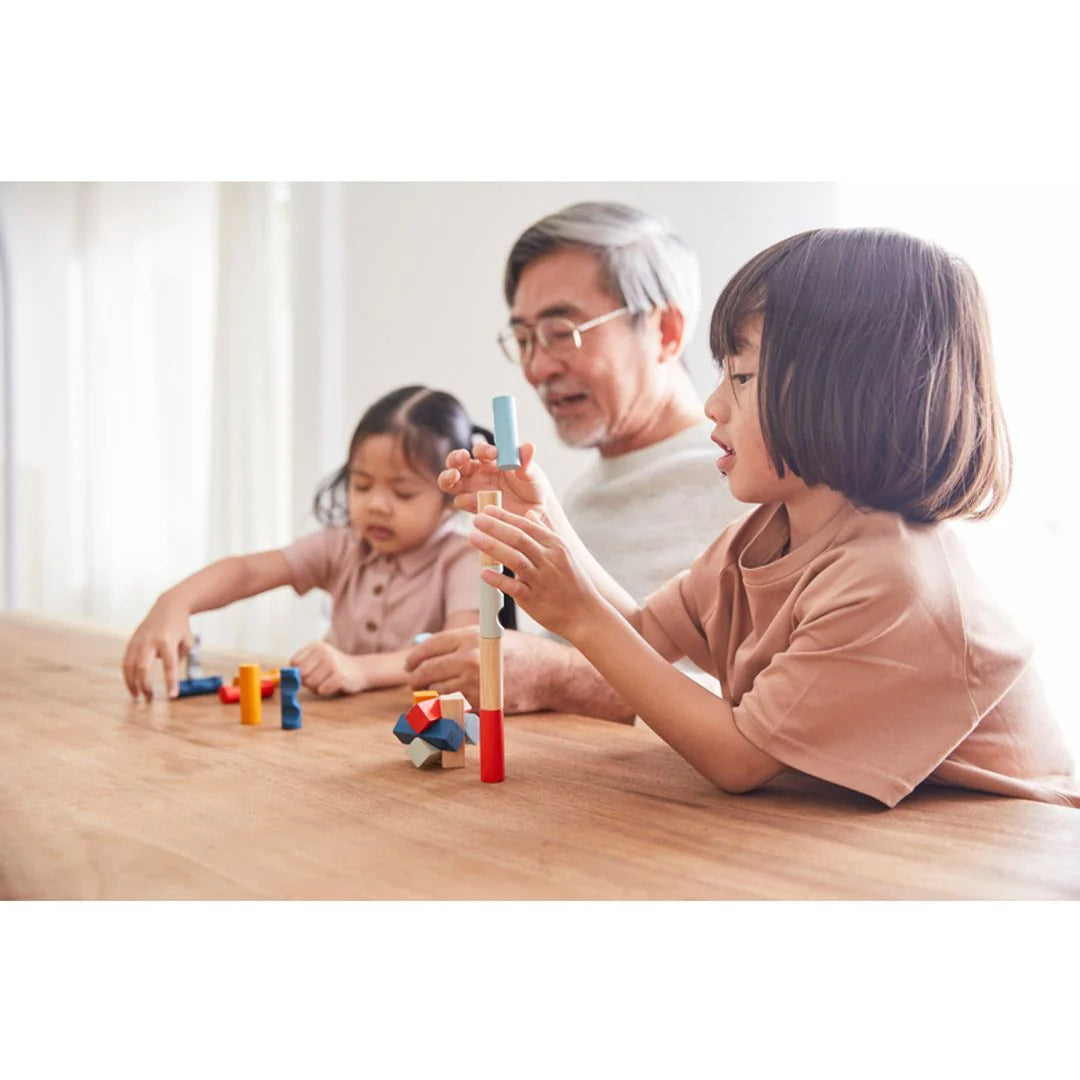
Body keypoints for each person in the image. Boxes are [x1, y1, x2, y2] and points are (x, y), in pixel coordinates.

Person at [448, 227, 1079, 808]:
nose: (713, 404)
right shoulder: (764, 532)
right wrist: (543, 512)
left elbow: (738, 758)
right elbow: (645, 634)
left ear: (849, 394)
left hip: (1010, 849)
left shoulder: (893, 576)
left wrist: (579, 615)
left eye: (744, 377)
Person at [405, 202, 744, 720]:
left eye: (561, 331)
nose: (537, 367)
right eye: (522, 339)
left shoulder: (744, 480)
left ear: (666, 331)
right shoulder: (580, 496)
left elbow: (775, 706)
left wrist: (558, 676)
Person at [122, 385, 487, 702]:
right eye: (361, 485)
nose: (376, 503)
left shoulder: (464, 559)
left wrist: (358, 670)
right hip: (331, 736)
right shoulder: (343, 545)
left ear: (450, 496)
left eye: (402, 492)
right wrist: (176, 601)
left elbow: (455, 650)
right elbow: (249, 572)